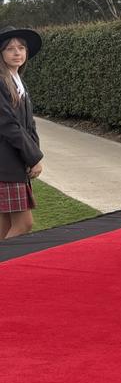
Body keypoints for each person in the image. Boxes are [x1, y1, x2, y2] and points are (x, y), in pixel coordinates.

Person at [0, 25, 44, 239]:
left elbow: (29, 124)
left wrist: (33, 153)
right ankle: (8, 270)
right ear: (1, 53)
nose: (17, 53)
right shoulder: (1, 82)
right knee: (23, 224)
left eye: (21, 48)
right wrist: (33, 158)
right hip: (5, 162)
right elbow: (8, 125)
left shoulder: (18, 82)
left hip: (15, 160)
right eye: (10, 48)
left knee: (5, 224)